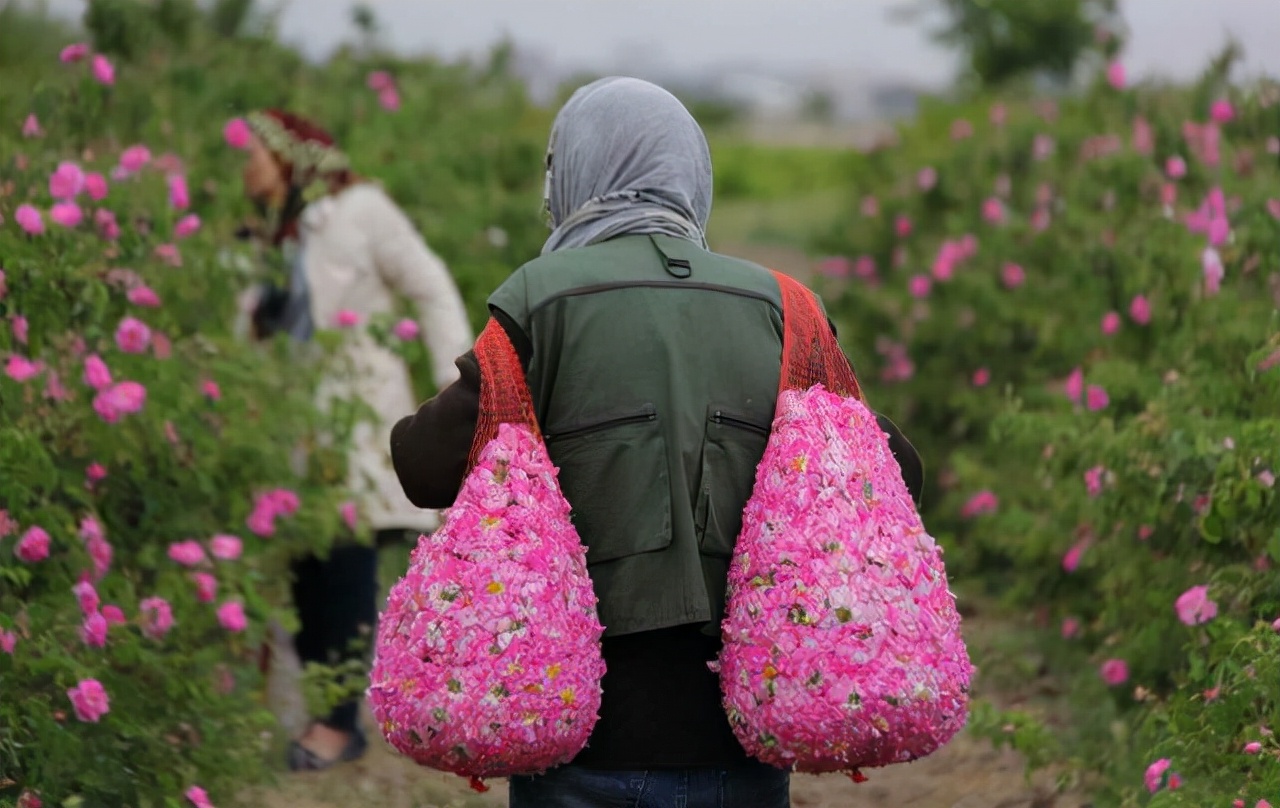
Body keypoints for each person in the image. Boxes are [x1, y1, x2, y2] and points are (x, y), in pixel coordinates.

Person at [388, 77, 924, 808]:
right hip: (741, 742)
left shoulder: (542, 301)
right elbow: (896, 479)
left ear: (572, 172)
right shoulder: (785, 310)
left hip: (581, 741)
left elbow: (422, 468)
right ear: (689, 173)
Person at [237, 109, 474, 771]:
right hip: (287, 428)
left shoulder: (359, 211)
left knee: (344, 559)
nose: (243, 164)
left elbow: (429, 287)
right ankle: (328, 715)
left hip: (355, 422)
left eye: (252, 150)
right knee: (307, 568)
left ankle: (338, 726)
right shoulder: (266, 236)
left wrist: (454, 388)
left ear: (289, 155)